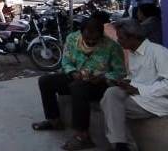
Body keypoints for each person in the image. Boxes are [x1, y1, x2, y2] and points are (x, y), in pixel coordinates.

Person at [32, 12, 126, 151]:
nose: (91, 42)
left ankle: (83, 136)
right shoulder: (72, 39)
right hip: (77, 77)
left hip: (99, 84)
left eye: (95, 40)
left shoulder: (112, 47)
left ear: (102, 35)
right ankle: (54, 120)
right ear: (81, 33)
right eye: (88, 39)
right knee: (45, 81)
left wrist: (103, 77)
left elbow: (120, 72)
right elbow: (66, 61)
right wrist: (72, 72)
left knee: (78, 88)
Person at [101, 19, 168, 151]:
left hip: (155, 101)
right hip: (137, 97)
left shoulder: (158, 52)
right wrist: (125, 81)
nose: (118, 41)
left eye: (121, 38)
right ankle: (122, 145)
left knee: (110, 106)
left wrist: (139, 89)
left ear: (133, 37)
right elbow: (136, 77)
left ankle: (121, 146)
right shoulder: (132, 52)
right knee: (111, 93)